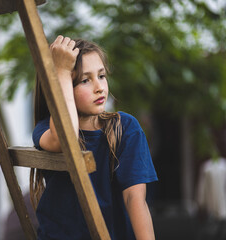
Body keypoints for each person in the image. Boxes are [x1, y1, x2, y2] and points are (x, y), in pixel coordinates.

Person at [31, 35, 158, 240]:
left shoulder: (125, 128)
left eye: (101, 76)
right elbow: (67, 140)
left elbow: (134, 199)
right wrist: (61, 72)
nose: (99, 87)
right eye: (84, 80)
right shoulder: (46, 129)